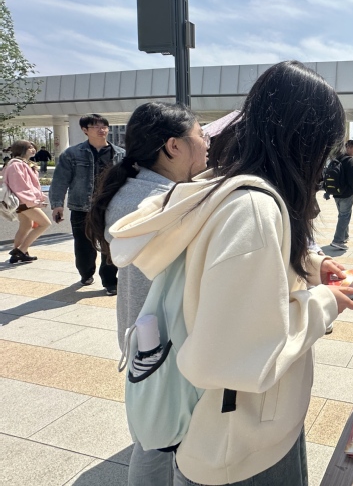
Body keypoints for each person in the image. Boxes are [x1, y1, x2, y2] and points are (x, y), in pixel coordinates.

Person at [108, 61, 353, 486]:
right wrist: (323, 304)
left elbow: (233, 278)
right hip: (241, 447)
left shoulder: (225, 187)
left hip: (236, 432)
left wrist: (311, 266)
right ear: (304, 141)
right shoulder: (255, 209)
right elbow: (231, 357)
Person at [83, 103, 207, 486]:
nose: (207, 144)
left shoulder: (135, 190)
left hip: (145, 334)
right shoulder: (164, 203)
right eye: (200, 136)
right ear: (174, 146)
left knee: (154, 435)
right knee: (164, 442)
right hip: (167, 342)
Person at [50, 114, 125, 295]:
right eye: (96, 126)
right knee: (84, 246)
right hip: (81, 207)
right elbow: (60, 180)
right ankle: (86, 273)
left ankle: (110, 281)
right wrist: (57, 204)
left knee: (110, 244)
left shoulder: (121, 154)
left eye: (104, 126)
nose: (102, 130)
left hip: (111, 206)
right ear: (85, 130)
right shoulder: (72, 154)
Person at [3, 140, 51, 264]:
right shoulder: (16, 165)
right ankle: (21, 250)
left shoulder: (22, 164)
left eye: (33, 147)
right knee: (45, 223)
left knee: (26, 226)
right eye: (30, 147)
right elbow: (21, 186)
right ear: (21, 149)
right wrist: (34, 201)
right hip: (24, 201)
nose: (33, 149)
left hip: (22, 201)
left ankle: (17, 255)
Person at [329, 139, 353, 250]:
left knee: (342, 215)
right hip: (346, 194)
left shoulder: (337, 159)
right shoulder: (350, 161)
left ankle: (345, 236)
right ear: (348, 147)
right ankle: (337, 240)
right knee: (344, 216)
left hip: (336, 193)